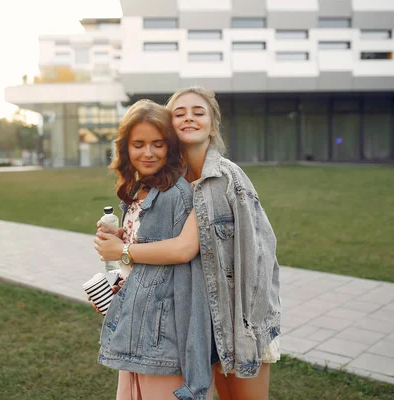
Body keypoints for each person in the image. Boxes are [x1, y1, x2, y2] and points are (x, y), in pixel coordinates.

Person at [95, 87, 281, 400]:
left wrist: (123, 251)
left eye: (198, 112)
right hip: (202, 319)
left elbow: (184, 249)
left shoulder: (222, 178)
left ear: (213, 125)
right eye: (179, 113)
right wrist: (128, 235)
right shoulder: (174, 179)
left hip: (239, 317)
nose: (189, 118)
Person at [95, 99, 214, 400]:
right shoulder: (138, 189)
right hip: (134, 323)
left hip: (162, 336)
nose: (148, 153)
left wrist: (122, 250)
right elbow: (144, 257)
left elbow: (186, 269)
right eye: (138, 144)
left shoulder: (177, 195)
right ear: (125, 149)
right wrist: (120, 245)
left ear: (170, 147)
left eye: (158, 144)